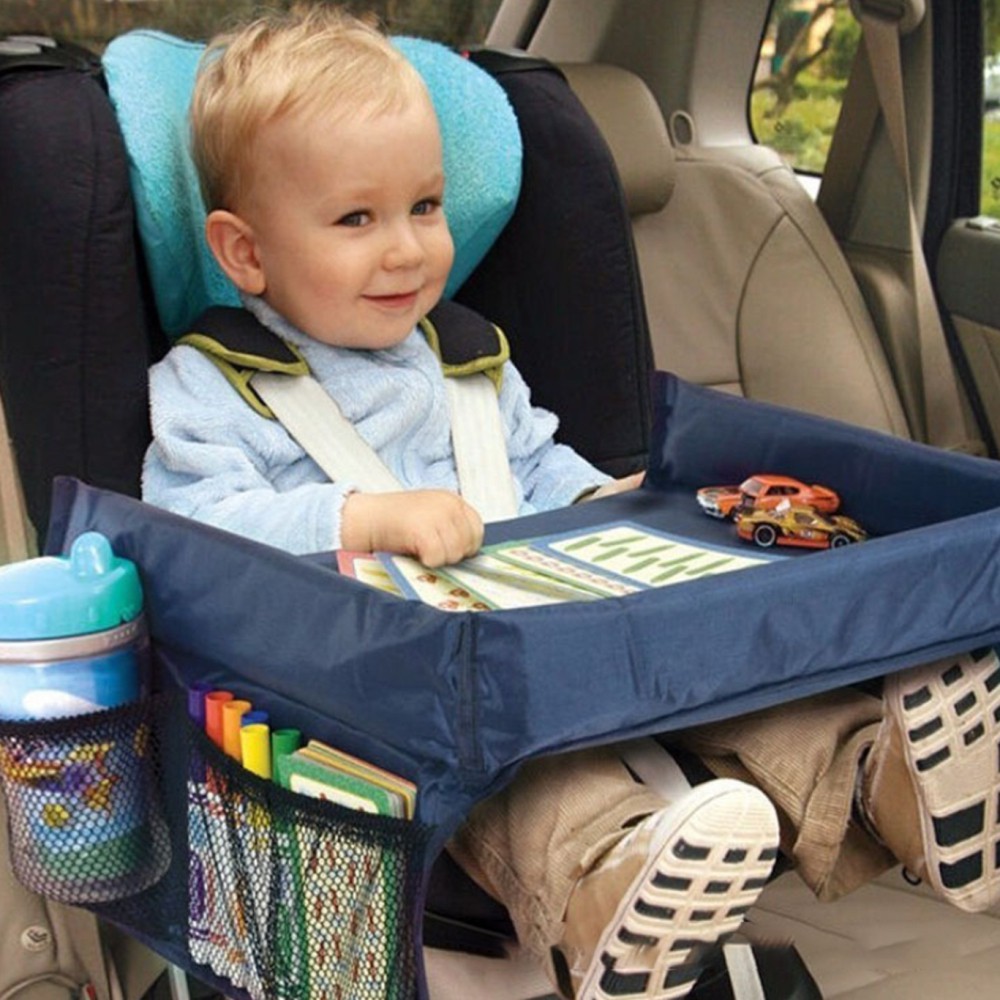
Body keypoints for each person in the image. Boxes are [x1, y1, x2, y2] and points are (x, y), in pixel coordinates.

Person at [142, 7, 1000, 999]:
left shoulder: (467, 357)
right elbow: (193, 536)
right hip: (399, 709)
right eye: (355, 219)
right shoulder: (214, 386)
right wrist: (362, 518)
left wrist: (620, 503)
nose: (408, 250)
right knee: (540, 787)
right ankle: (614, 881)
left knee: (744, 674)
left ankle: (887, 778)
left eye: (424, 207)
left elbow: (538, 470)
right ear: (244, 253)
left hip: (568, 644)